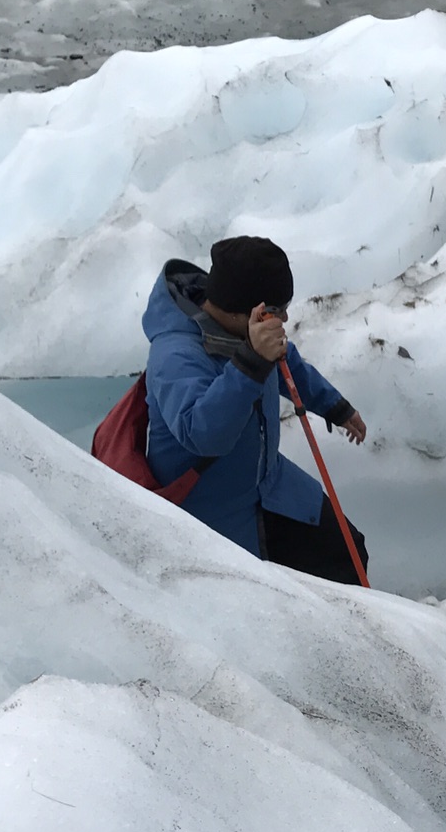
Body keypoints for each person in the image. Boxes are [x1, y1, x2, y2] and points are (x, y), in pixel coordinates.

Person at [142, 236, 370, 582]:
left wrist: (334, 407)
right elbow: (202, 434)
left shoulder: (246, 330)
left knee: (347, 553)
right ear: (245, 310)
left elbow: (286, 361)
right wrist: (250, 361)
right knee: (278, 596)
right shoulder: (175, 355)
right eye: (277, 309)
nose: (285, 317)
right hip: (209, 513)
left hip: (267, 482)